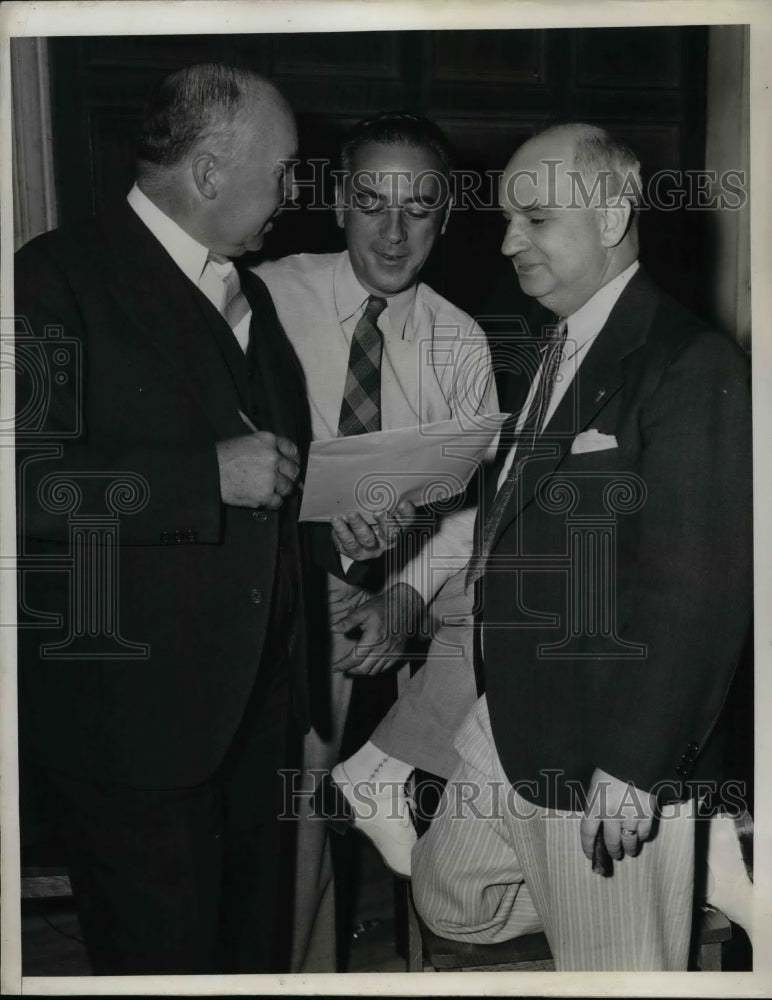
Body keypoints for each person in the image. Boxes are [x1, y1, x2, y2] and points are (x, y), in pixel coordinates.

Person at [14, 63, 400, 976]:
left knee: (249, 959)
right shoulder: (54, 279)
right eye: (285, 171)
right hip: (136, 736)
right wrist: (201, 479)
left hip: (260, 721)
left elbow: (268, 482)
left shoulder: (250, 294)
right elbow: (21, 486)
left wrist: (327, 535)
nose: (294, 193)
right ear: (212, 171)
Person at [407, 123, 752, 970]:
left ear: (610, 215)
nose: (506, 239)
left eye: (534, 219)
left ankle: (654, 899)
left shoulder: (687, 360)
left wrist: (636, 768)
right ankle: (675, 888)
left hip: (604, 741)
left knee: (617, 972)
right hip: (515, 717)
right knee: (447, 893)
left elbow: (698, 587)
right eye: (504, 220)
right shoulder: (561, 345)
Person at [254, 112, 498, 969]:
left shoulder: (460, 338)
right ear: (336, 203)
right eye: (372, 202)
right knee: (298, 812)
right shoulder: (263, 297)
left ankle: (445, 940)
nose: (394, 231)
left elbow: (470, 503)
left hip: (404, 590)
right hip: (290, 582)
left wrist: (401, 597)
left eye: (419, 207)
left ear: (445, 217)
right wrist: (300, 564)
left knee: (528, 621)